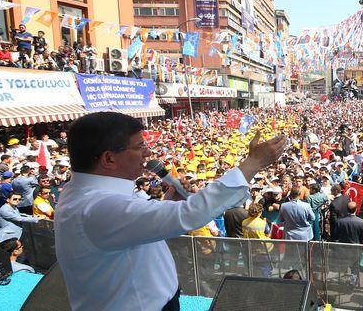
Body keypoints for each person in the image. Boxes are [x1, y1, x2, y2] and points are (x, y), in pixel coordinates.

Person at [54, 112, 287, 310]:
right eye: (139, 147)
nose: (147, 154)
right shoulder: (97, 208)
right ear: (109, 158)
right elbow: (189, 215)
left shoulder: (87, 194)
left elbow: (132, 225)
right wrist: (254, 163)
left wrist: (169, 200)